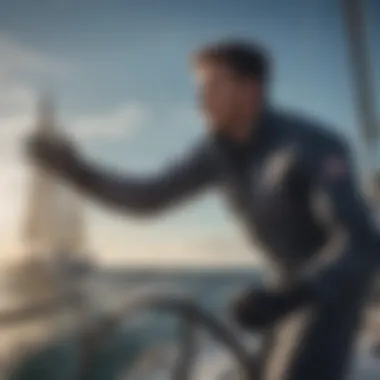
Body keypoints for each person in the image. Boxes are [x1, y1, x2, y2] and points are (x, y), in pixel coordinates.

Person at [27, 40, 379, 380]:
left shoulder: (310, 145)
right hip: (280, 290)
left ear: (249, 89)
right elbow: (148, 197)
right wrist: (74, 170)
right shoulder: (216, 153)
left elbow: (359, 242)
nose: (199, 100)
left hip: (330, 292)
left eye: (211, 86)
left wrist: (293, 294)